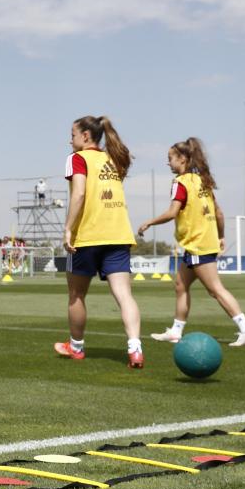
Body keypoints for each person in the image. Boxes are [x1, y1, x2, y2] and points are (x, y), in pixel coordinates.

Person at [137, 138, 245, 347]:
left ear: (182, 159)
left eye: (170, 159)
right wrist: (221, 236)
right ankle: (176, 331)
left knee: (215, 289)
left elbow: (172, 212)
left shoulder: (181, 182)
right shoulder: (202, 180)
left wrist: (149, 222)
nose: (168, 163)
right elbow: (219, 213)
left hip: (197, 244)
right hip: (204, 242)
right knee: (180, 285)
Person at [53, 116, 144, 368]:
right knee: (124, 295)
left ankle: (76, 347)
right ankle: (135, 348)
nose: (69, 140)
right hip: (118, 234)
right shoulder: (113, 158)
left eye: (72, 134)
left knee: (76, 294)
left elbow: (80, 193)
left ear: (85, 136)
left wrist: (68, 229)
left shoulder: (77, 158)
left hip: (88, 235)